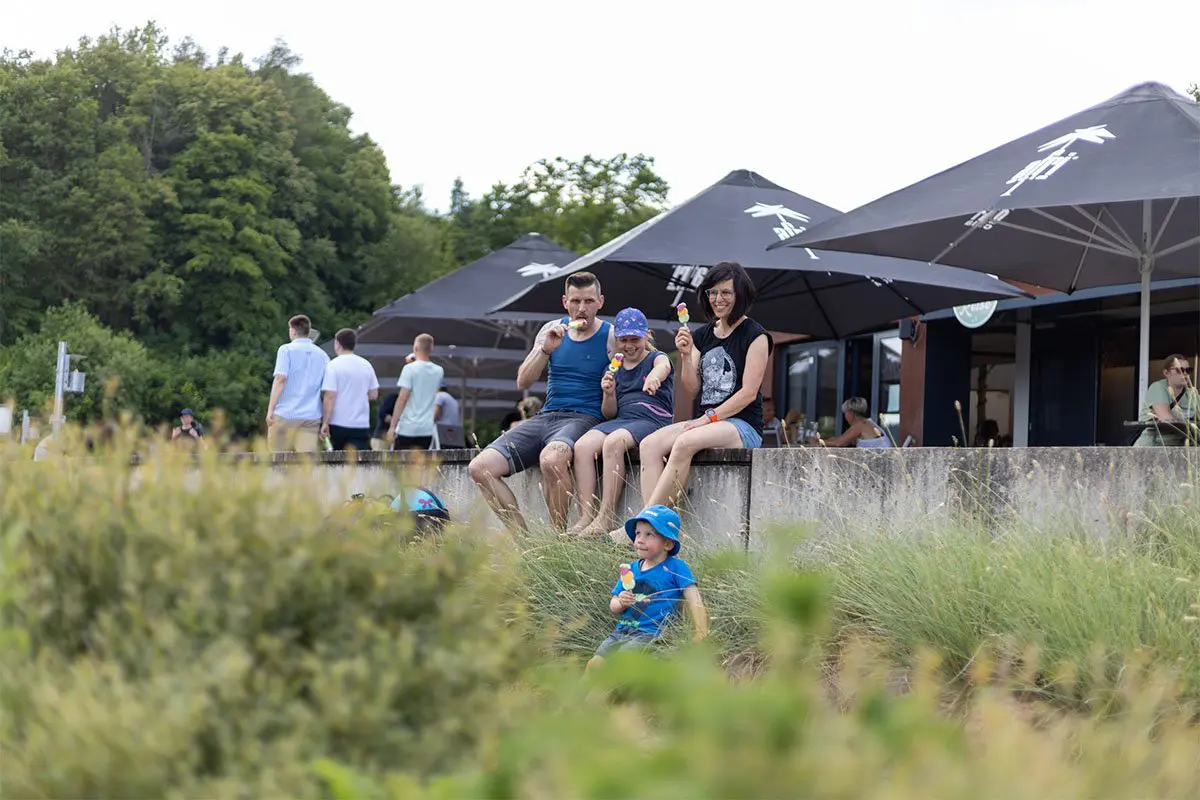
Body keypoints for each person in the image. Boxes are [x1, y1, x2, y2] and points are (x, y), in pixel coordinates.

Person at [468, 271, 617, 532]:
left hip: (585, 417)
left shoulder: (610, 335)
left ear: (600, 302)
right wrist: (545, 349)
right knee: (480, 468)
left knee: (551, 460)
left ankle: (556, 540)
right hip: (547, 416)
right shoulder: (551, 331)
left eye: (589, 301)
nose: (581, 309)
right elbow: (523, 382)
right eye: (575, 301)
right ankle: (524, 542)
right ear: (564, 302)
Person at [636, 262, 773, 514]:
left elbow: (748, 393)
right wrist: (686, 356)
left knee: (685, 442)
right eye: (712, 292)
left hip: (742, 424)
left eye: (725, 293)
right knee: (649, 445)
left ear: (739, 295)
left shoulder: (756, 335)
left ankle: (646, 524)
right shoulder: (702, 335)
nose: (717, 299)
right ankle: (658, 524)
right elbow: (692, 388)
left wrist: (707, 418)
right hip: (708, 422)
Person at [571, 308, 674, 537]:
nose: (629, 345)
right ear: (616, 339)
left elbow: (663, 367)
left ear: (646, 335)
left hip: (652, 417)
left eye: (635, 339)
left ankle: (605, 517)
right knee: (582, 446)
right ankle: (586, 515)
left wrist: (655, 378)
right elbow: (609, 414)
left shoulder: (655, 358)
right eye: (623, 340)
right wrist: (608, 393)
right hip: (624, 419)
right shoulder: (613, 368)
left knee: (614, 442)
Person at [587, 504, 708, 672]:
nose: (640, 540)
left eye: (649, 534)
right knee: (593, 665)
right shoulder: (630, 569)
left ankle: (599, 697)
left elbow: (694, 597)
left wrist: (701, 631)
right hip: (622, 630)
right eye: (637, 533)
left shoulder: (675, 567)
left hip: (650, 633)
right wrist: (621, 602)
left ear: (667, 544)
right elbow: (613, 605)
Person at [267, 315, 330, 452]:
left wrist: (271, 410)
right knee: (305, 464)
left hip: (285, 414)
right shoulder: (323, 355)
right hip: (311, 416)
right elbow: (328, 391)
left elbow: (280, 379)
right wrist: (325, 421)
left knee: (277, 462)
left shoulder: (286, 350)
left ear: (293, 331)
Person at [320, 328, 380, 452]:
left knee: (336, 463)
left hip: (337, 423)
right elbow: (374, 394)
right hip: (360, 424)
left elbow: (329, 396)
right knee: (357, 463)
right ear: (354, 344)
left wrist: (325, 422)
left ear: (337, 343)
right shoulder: (366, 365)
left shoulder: (333, 365)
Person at [385, 334, 445, 450]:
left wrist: (393, 426)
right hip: (426, 429)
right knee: (420, 466)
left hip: (407, 428)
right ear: (431, 349)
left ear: (415, 347)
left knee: (400, 465)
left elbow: (403, 398)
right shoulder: (439, 371)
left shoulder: (409, 369)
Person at [1134, 353, 1198, 446]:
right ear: (1166, 373)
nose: (1185, 374)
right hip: (1154, 445)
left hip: (1181, 446)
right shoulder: (1158, 387)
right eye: (1179, 370)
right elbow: (1165, 417)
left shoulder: (1192, 393)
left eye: (1188, 370)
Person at [807, 397, 891, 448]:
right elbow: (844, 439)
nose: (845, 416)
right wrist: (829, 440)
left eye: (845, 413)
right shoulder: (868, 422)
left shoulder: (859, 425)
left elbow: (839, 443)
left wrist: (818, 442)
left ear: (851, 413)